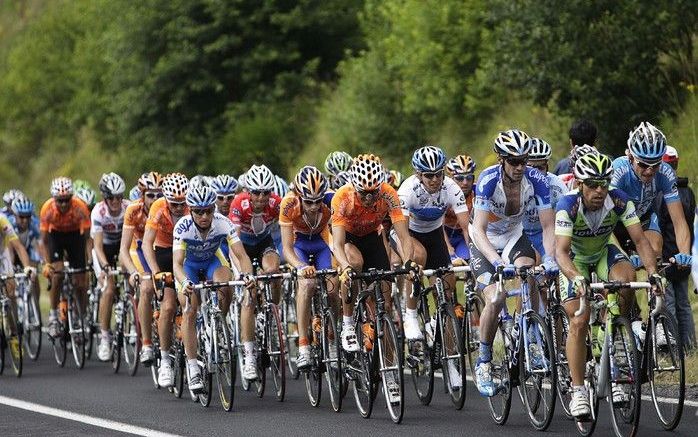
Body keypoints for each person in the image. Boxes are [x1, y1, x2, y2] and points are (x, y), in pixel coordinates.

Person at [555, 151, 660, 417]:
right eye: (592, 184)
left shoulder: (619, 200)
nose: (599, 190)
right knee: (579, 319)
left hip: (603, 252)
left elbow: (640, 241)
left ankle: (615, 352)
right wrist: (575, 277)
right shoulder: (567, 205)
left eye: (604, 183)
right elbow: (561, 252)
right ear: (580, 184)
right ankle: (578, 391)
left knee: (626, 281)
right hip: (576, 258)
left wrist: (652, 272)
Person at [470, 129, 558, 397]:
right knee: (496, 297)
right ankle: (484, 360)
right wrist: (495, 261)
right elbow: (479, 230)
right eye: (514, 161)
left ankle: (531, 338)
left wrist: (552, 257)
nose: (520, 167)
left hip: (512, 236)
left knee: (529, 272)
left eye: (524, 160)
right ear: (501, 159)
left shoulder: (536, 180)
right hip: (484, 241)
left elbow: (547, 226)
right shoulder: (487, 180)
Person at [331, 153, 417, 404]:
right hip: (346, 240)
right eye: (364, 193)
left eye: (373, 193)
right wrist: (345, 267)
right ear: (355, 186)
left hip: (371, 238)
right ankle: (348, 324)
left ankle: (389, 373)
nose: (369, 198)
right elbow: (336, 244)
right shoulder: (343, 197)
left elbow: (403, 236)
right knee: (353, 266)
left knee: (386, 306)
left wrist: (409, 261)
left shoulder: (388, 193)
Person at [174, 186, 255, 389]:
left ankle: (218, 324)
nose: (204, 216)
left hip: (212, 261)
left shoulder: (222, 223)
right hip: (189, 267)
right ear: (190, 210)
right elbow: (177, 264)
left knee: (225, 283)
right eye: (199, 212)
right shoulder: (183, 227)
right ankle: (193, 368)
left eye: (209, 210)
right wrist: (184, 283)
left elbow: (242, 255)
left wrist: (248, 275)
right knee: (190, 309)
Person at [396, 146, 469, 341]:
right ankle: (410, 315)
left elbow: (466, 227)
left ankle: (438, 325)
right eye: (429, 175)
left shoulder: (451, 187)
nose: (435, 179)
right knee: (418, 258)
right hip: (410, 234)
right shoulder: (407, 190)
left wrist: (476, 256)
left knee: (447, 287)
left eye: (439, 174)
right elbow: (401, 232)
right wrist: (408, 261)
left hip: (435, 234)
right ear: (418, 174)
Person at [611, 122, 691, 273]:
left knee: (654, 252)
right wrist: (622, 255)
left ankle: (656, 292)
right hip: (616, 221)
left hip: (643, 217)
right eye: (642, 164)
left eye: (655, 165)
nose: (649, 171)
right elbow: (606, 220)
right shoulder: (618, 170)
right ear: (630, 157)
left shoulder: (666, 173)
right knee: (622, 271)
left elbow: (679, 221)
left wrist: (685, 254)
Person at [279, 166, 336, 369]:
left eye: (317, 201)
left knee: (333, 287)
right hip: (299, 245)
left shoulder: (331, 200)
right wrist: (301, 267)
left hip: (321, 243)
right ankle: (303, 346)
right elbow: (286, 248)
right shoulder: (288, 204)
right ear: (299, 195)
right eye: (309, 202)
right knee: (307, 285)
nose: (313, 206)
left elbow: (336, 239)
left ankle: (331, 338)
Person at [142, 173, 189, 387]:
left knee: (190, 300)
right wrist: (156, 272)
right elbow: (146, 244)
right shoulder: (158, 207)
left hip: (186, 252)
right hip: (164, 252)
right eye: (175, 204)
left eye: (182, 203)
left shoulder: (192, 207)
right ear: (167, 200)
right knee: (168, 306)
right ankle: (165, 361)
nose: (179, 208)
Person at [118, 171, 163, 366]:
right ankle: (146, 344)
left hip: (160, 248)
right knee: (146, 289)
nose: (155, 199)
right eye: (150, 195)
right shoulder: (133, 211)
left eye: (158, 194)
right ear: (142, 195)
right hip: (139, 250)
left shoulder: (166, 208)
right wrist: (133, 271)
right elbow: (123, 249)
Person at [654, 146, 696, 349]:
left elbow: (658, 228)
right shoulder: (688, 191)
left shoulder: (662, 193)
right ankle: (689, 345)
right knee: (684, 304)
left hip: (666, 258)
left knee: (668, 303)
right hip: (684, 255)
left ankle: (673, 348)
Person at [39, 177, 91, 338]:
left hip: (75, 236)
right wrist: (48, 263)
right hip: (56, 237)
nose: (63, 204)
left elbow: (88, 239)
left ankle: (81, 317)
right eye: (59, 201)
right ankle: (54, 317)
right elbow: (44, 241)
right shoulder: (47, 209)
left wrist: (89, 260)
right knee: (58, 274)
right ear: (54, 199)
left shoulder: (80, 208)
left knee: (81, 281)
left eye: (66, 200)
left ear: (72, 197)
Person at [229, 164, 282, 303]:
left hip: (263, 242)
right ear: (248, 191)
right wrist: (240, 271)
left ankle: (274, 313)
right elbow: (234, 240)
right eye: (256, 192)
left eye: (266, 192)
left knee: (274, 274)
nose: (261, 197)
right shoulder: (238, 203)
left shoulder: (276, 203)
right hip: (242, 245)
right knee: (248, 291)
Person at [92, 172, 129, 361]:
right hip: (104, 248)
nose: (116, 201)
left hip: (122, 246)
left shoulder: (128, 207)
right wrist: (105, 266)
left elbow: (132, 241)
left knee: (131, 273)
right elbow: (97, 247)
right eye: (111, 197)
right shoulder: (99, 212)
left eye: (119, 196)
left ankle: (131, 313)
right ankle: (105, 338)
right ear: (105, 197)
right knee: (108, 289)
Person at [524, 138, 568, 258]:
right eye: (530, 167)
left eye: (540, 168)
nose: (535, 174)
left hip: (544, 234)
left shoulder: (557, 186)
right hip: (518, 235)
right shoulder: (513, 185)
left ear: (547, 167)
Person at [443, 155, 476, 261]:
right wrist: (448, 249)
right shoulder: (442, 194)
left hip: (462, 235)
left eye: (469, 178)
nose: (465, 183)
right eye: (459, 178)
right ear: (450, 179)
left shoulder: (478, 192)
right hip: (443, 234)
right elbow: (439, 226)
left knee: (468, 258)